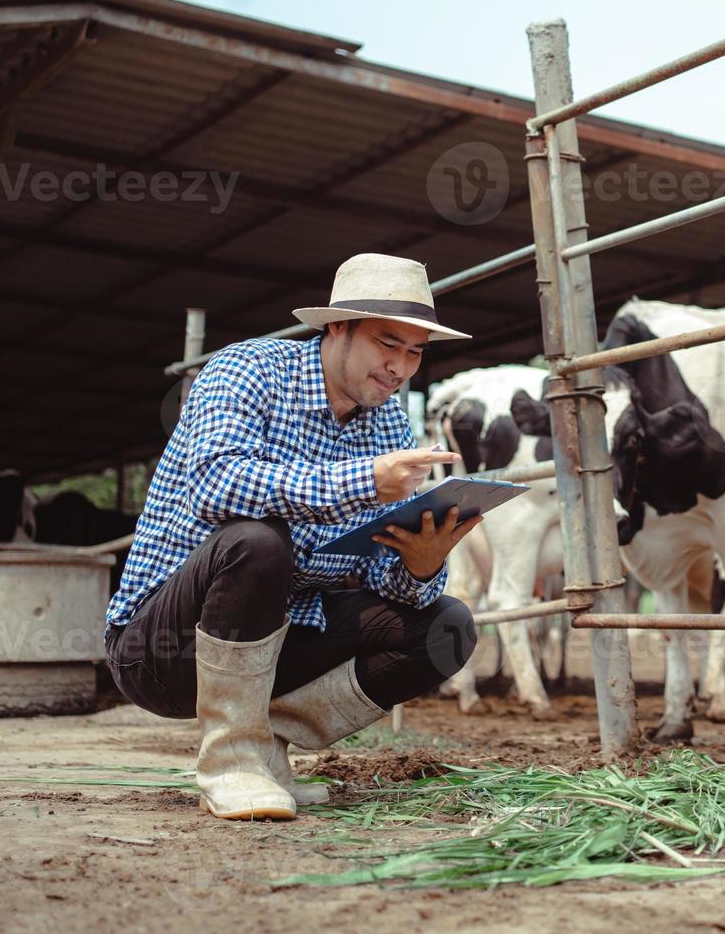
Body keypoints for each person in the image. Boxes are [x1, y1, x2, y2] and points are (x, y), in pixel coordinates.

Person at [103, 253, 482, 821]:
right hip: (163, 650)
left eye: (414, 351)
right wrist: (363, 481)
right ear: (336, 326)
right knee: (258, 542)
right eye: (387, 343)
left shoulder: (390, 423)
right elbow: (215, 486)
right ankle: (229, 761)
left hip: (283, 640)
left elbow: (387, 579)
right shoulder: (247, 370)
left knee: (445, 626)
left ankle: (264, 751)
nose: (400, 367)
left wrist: (422, 562)